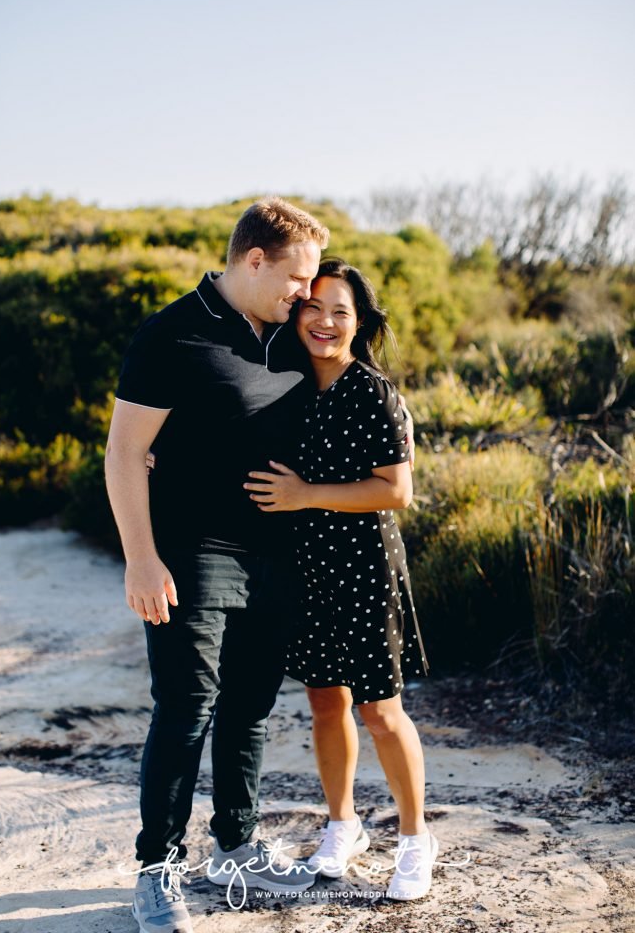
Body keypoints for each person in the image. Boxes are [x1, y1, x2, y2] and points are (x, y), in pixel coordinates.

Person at [105, 198, 329, 933]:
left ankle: (235, 847)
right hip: (192, 552)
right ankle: (157, 869)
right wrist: (141, 558)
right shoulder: (170, 335)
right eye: (297, 277)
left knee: (249, 709)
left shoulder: (289, 338)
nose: (307, 292)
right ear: (253, 260)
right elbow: (125, 453)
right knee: (186, 708)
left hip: (276, 554)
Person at [243, 257, 436, 901]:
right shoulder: (285, 384)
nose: (324, 322)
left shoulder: (373, 391)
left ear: (359, 323)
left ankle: (414, 838)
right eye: (312, 307)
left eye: (340, 312)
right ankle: (343, 824)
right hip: (305, 568)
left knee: (381, 711)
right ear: (296, 314)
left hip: (364, 569)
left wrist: (306, 495)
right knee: (325, 703)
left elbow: (396, 491)